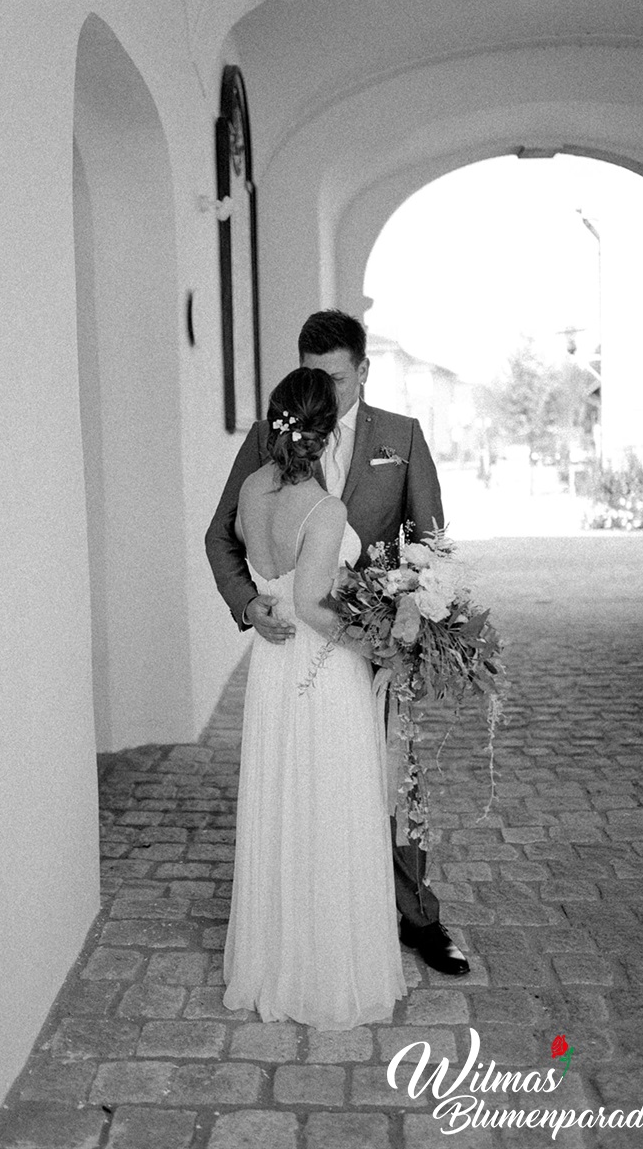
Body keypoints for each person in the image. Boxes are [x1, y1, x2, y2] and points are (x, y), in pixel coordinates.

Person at [206, 309, 469, 977]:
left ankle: (418, 917)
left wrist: (412, 609)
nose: (324, 391)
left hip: (376, 641)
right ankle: (316, 916)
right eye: (312, 377)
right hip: (308, 642)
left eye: (337, 379)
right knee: (313, 782)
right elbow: (221, 534)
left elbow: (431, 541)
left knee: (396, 779)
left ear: (364, 370)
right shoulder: (269, 436)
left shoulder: (401, 436)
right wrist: (248, 603)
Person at [221, 366, 406, 1028]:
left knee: (283, 801)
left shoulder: (251, 488)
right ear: (324, 434)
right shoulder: (324, 511)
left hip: (273, 667)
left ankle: (277, 957)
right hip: (321, 672)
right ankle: (326, 969)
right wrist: (380, 642)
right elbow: (312, 606)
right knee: (329, 805)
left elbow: (269, 580)